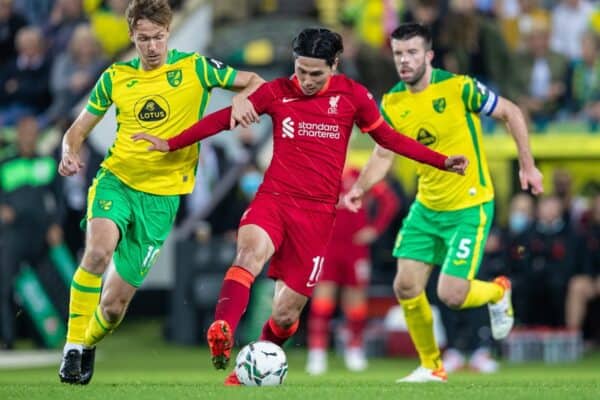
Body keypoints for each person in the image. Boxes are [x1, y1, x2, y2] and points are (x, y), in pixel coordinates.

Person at [133, 27, 469, 386]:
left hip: (317, 215)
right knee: (249, 253)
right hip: (274, 199)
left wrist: (440, 160)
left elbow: (388, 138)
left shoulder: (353, 96)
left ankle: (251, 366)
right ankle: (223, 328)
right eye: (300, 70)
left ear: (335, 65)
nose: (306, 80)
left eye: (315, 73)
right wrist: (171, 143)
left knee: (285, 313)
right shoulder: (277, 91)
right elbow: (221, 120)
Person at [56, 0, 264, 385]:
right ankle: (71, 349)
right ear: (132, 36)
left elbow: (255, 82)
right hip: (116, 180)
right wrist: (69, 152)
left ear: (168, 33)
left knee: (114, 308)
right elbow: (77, 129)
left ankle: (86, 343)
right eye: (143, 39)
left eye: (158, 38)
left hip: (162, 198)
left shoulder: (195, 67)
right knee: (98, 251)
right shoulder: (116, 76)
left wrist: (240, 98)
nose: (151, 47)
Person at [343, 23, 544, 383]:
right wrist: (361, 187)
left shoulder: (458, 87)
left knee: (450, 294)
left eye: (412, 53)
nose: (404, 61)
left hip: (469, 205)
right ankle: (432, 366)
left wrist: (528, 166)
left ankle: (498, 291)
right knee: (405, 286)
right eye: (398, 54)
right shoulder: (392, 102)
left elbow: (511, 112)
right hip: (427, 207)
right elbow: (383, 154)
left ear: (429, 55)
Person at [305, 167, 400, 375]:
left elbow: (390, 202)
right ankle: (317, 353)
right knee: (323, 301)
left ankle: (354, 350)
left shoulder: (359, 175)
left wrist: (375, 229)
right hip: (328, 246)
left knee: (355, 302)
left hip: (355, 249)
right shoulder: (322, 172)